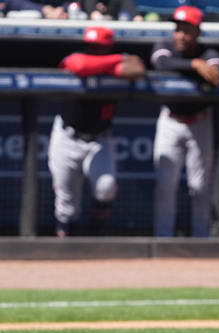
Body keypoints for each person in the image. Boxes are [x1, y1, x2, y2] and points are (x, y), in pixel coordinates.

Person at [49, 26, 146, 237]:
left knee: (106, 187)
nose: (92, 51)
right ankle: (65, 247)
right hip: (67, 136)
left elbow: (137, 68)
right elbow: (80, 64)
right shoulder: (78, 58)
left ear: (109, 48)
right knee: (66, 203)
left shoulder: (117, 64)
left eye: (99, 48)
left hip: (99, 139)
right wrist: (115, 61)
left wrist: (109, 64)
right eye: (90, 47)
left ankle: (96, 234)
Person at [150, 5, 219, 237]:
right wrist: (193, 65)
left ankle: (201, 239)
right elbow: (161, 63)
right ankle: (163, 239)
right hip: (170, 121)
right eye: (178, 29)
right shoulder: (164, 46)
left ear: (198, 32)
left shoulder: (207, 52)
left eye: (187, 30)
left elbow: (218, 68)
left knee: (200, 187)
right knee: (165, 185)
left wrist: (203, 64)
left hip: (200, 122)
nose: (181, 35)